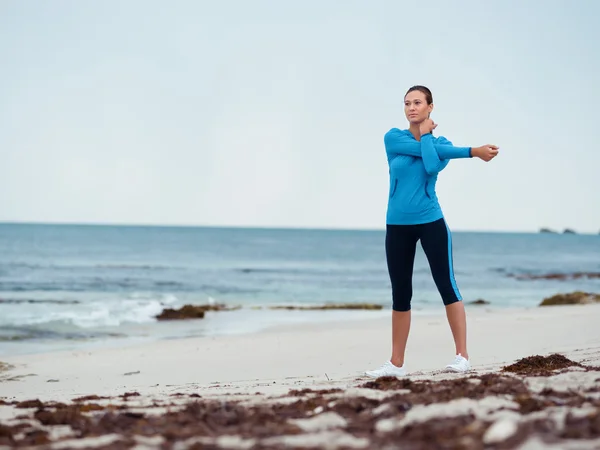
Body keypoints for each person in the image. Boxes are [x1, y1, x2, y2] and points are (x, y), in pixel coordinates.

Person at [366, 85, 499, 378]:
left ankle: (462, 357)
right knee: (401, 292)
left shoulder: (441, 144)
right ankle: (396, 363)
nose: (411, 107)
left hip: (430, 221)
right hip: (397, 225)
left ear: (430, 107)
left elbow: (429, 164)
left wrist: (428, 136)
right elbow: (426, 152)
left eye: (417, 102)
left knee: (446, 284)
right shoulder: (393, 138)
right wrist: (472, 151)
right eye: (407, 103)